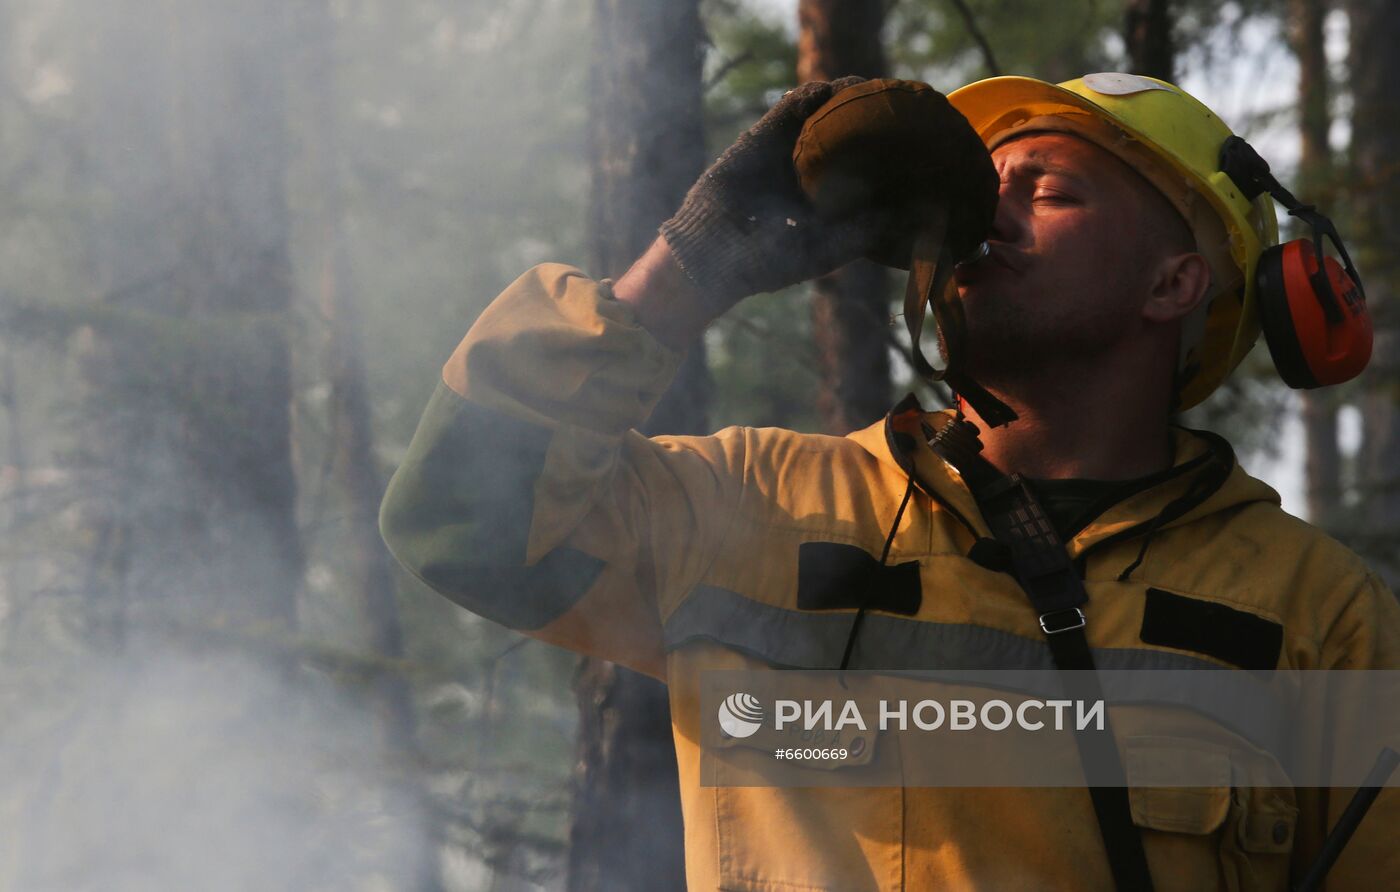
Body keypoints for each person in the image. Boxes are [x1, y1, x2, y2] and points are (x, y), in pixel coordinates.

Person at [379, 72, 1399, 891]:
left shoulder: (1315, 620)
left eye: (1047, 189)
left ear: (1171, 283)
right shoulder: (753, 505)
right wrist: (690, 267)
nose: (987, 216)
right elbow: (459, 522)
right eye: (981, 188)